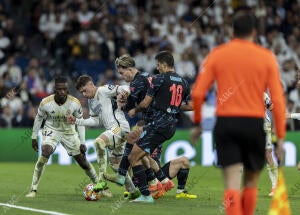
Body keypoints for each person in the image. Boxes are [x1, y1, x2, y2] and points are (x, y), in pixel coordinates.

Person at [191, 10, 286, 215]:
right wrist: (281, 138)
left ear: (232, 31)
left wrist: (198, 123)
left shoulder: (217, 54)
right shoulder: (267, 57)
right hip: (255, 124)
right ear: (254, 31)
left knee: (232, 184)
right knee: (251, 182)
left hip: (226, 123)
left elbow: (198, 93)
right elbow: (278, 100)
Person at [102, 54, 171, 199]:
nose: (122, 77)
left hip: (155, 121)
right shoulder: (145, 76)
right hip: (157, 119)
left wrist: (121, 102)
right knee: (139, 151)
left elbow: (129, 107)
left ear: (130, 69)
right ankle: (161, 181)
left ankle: (130, 180)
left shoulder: (137, 82)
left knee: (134, 148)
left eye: (122, 73)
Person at [126, 51, 191, 203]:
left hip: (158, 124)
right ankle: (160, 180)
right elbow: (192, 105)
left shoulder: (158, 79)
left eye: (158, 65)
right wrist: (173, 106)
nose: (157, 68)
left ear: (163, 64)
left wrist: (134, 109)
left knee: (133, 157)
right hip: (171, 126)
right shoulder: (184, 82)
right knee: (141, 154)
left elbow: (145, 103)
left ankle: (146, 195)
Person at [67, 74, 138, 198]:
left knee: (99, 142)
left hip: (119, 127)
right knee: (116, 165)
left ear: (90, 84)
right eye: (81, 92)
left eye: (84, 90)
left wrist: (124, 93)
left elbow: (124, 87)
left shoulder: (103, 90)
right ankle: (133, 191)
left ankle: (101, 180)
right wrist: (76, 121)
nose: (84, 94)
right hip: (113, 131)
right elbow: (94, 121)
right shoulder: (91, 101)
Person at [26, 76, 98, 198]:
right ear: (55, 89)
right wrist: (34, 137)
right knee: (46, 152)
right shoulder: (45, 102)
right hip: (51, 130)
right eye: (60, 89)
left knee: (83, 162)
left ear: (67, 89)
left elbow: (80, 122)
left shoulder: (75, 103)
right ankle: (33, 189)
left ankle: (100, 184)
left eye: (65, 89)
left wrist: (82, 142)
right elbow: (39, 118)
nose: (63, 92)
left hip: (69, 132)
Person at [263, 93, 278, 197]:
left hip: (263, 125)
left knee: (268, 155)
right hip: (247, 126)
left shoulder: (262, 94)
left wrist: (275, 126)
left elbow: (272, 108)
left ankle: (275, 186)